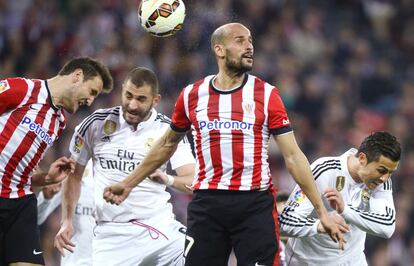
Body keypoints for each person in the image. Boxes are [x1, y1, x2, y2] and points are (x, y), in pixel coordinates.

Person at [103, 22, 344, 266]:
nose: (249, 46)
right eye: (240, 41)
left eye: (250, 41)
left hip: (254, 204)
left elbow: (293, 156)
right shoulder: (191, 95)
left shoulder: (267, 94)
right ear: (219, 49)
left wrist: (322, 212)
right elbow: (166, 144)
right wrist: (128, 183)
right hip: (207, 206)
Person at [54, 67, 196, 266]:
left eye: (141, 99)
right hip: (112, 235)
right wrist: (67, 220)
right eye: (128, 95)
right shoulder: (95, 124)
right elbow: (74, 175)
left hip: (160, 227)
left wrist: (168, 179)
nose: (132, 104)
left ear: (155, 100)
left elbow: (193, 180)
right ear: (122, 90)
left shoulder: (168, 131)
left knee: (200, 254)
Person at [0, 57, 113, 266]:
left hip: (21, 202)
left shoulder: (58, 122)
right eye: (92, 91)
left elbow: (19, 172)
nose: (90, 101)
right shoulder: (22, 89)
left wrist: (47, 178)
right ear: (77, 76)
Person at [279, 131, 401, 266]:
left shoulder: (381, 182)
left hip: (354, 261)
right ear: (362, 158)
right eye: (382, 170)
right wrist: (320, 225)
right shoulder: (325, 171)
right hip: (310, 261)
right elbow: (284, 222)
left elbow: (387, 227)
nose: (385, 178)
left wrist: (345, 210)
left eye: (391, 172)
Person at [37, 160, 94, 266]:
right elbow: (37, 218)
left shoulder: (122, 172)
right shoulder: (72, 170)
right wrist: (46, 198)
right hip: (75, 262)